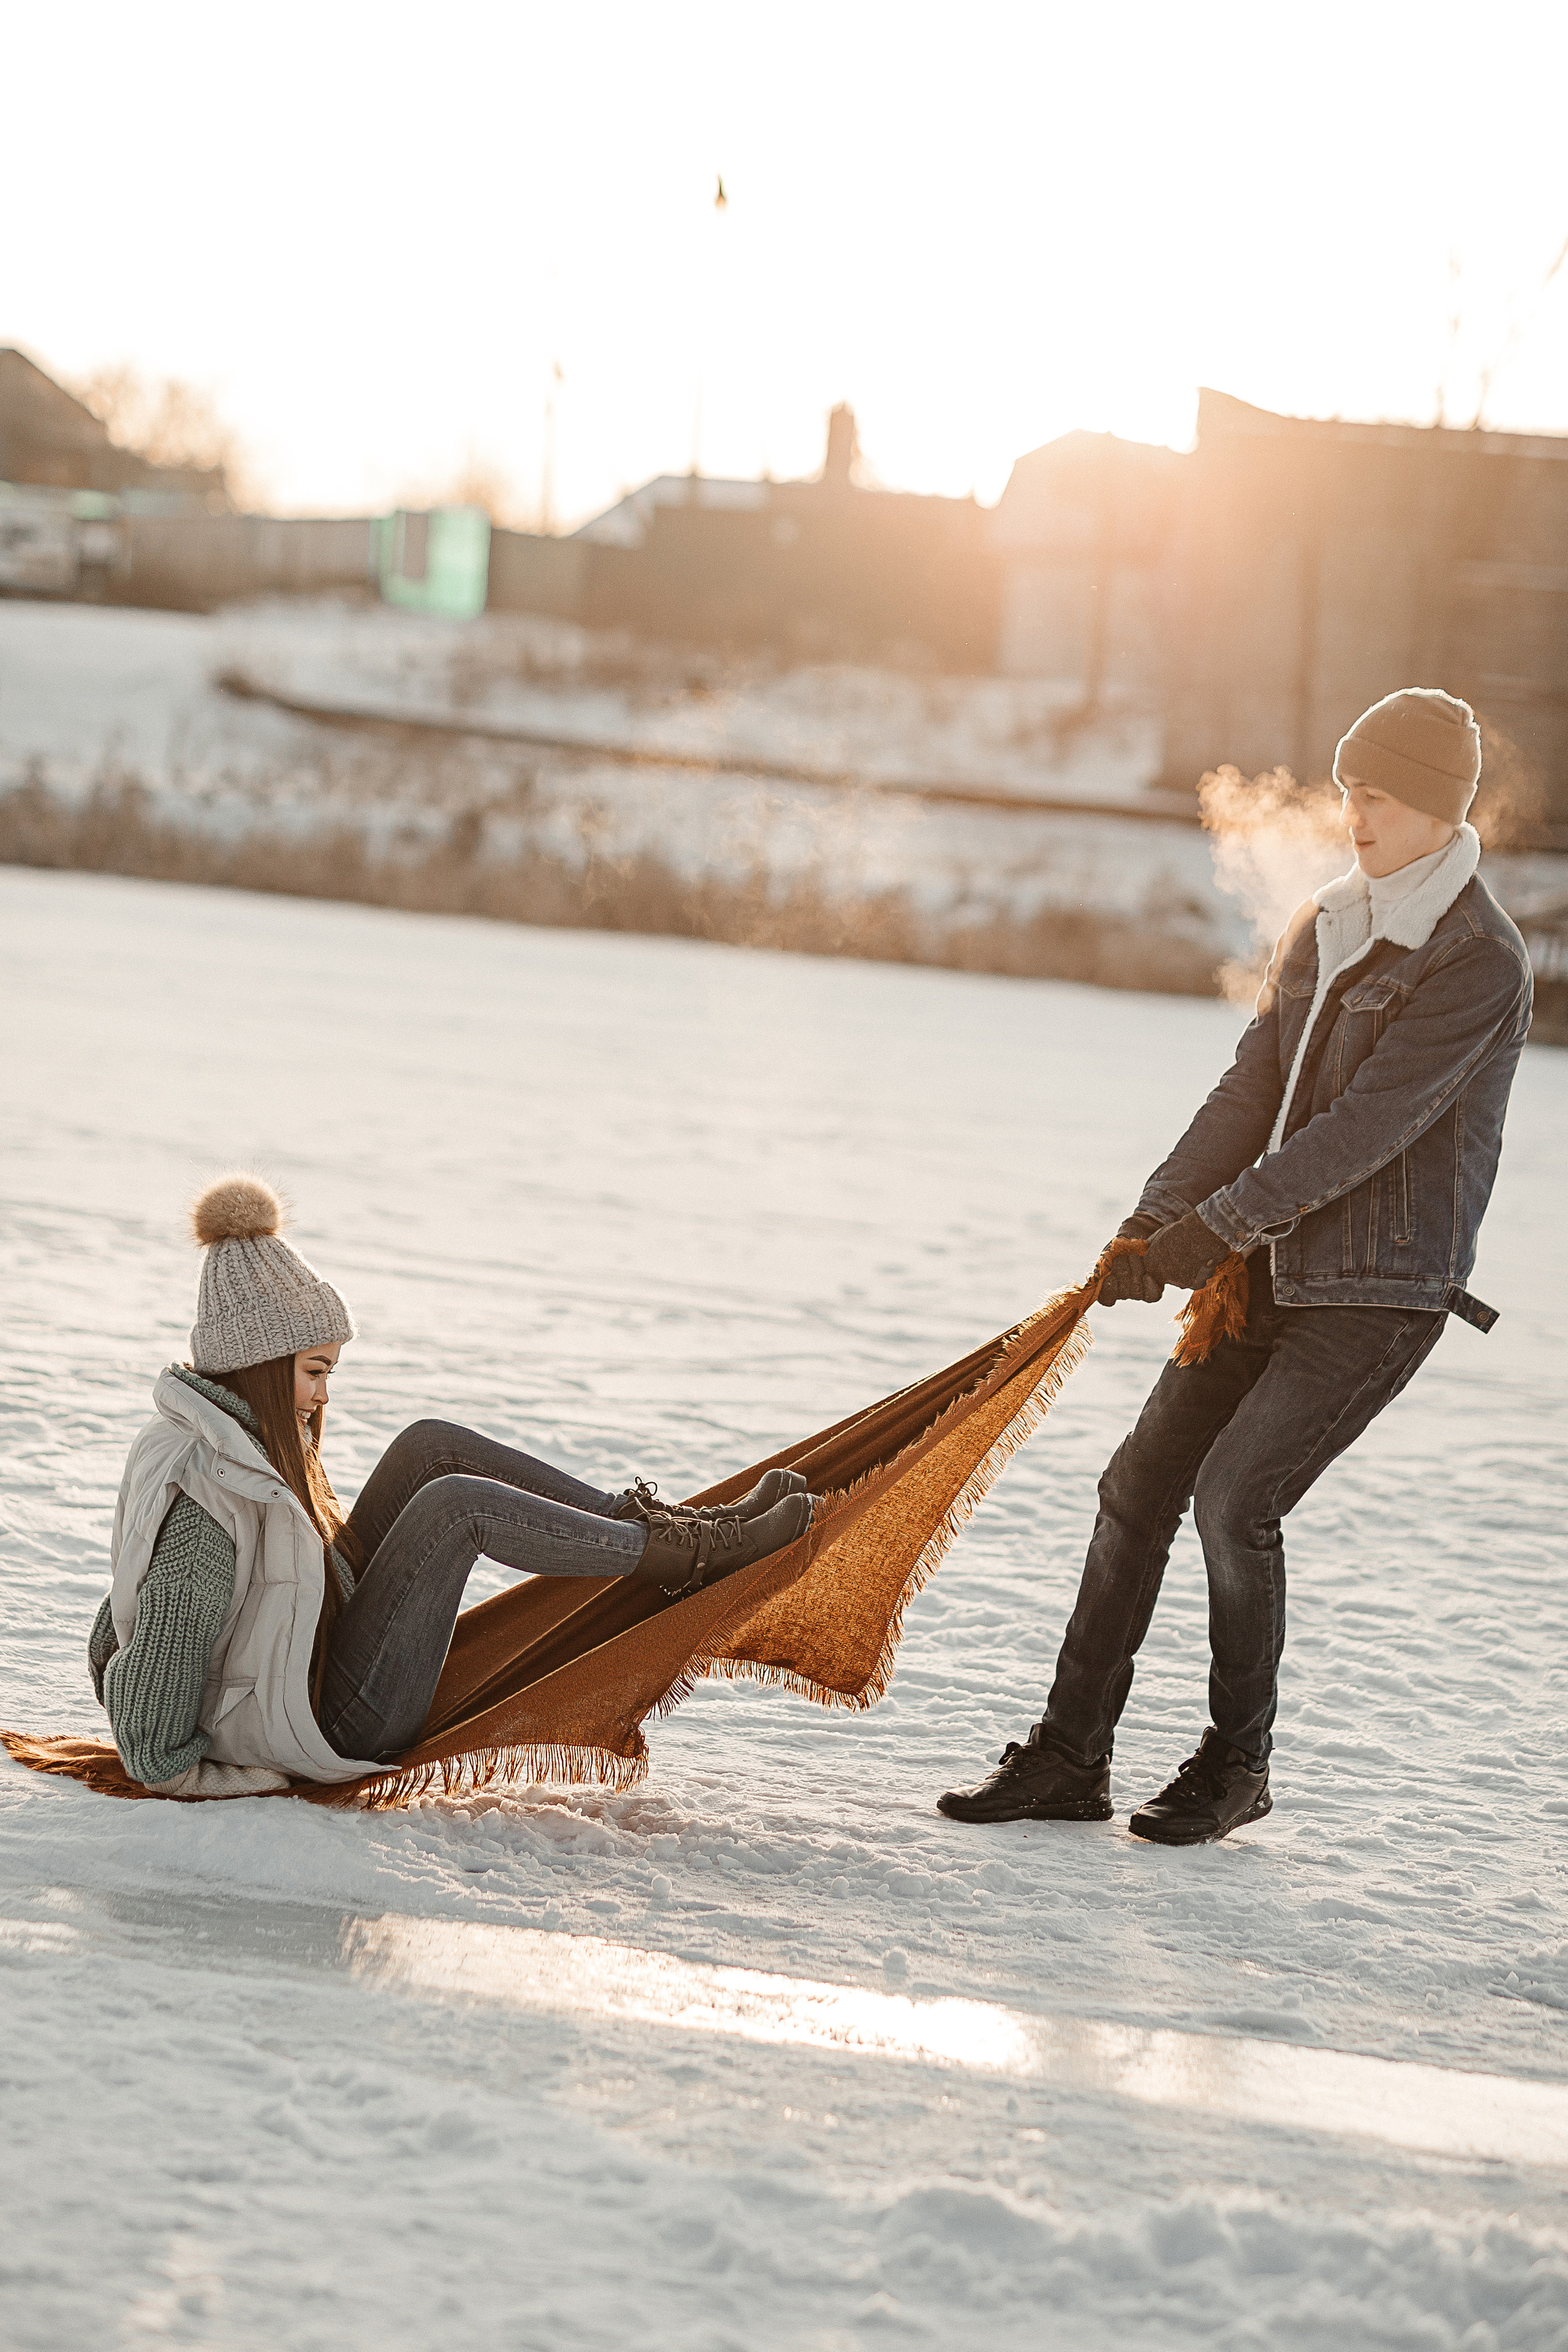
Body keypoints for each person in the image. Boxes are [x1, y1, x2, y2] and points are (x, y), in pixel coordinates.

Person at [939, 687, 1533, 1845]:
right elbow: (1251, 1086)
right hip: (1261, 1270)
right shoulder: (1328, 921)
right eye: (1348, 789)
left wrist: (1209, 1233)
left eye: (1379, 795)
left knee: (1234, 1501)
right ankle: (1069, 1756)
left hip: (1377, 1292)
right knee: (1136, 1487)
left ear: (1439, 807)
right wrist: (1154, 1218)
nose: (1354, 814)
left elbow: (1362, 1131)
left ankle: (1236, 1764)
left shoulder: (1478, 960)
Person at [89, 1175, 815, 1796]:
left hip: (309, 1659)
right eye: (314, 1372)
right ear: (259, 1366)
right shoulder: (209, 1490)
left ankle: (678, 1533)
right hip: (329, 1721)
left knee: (429, 1446)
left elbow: (120, 1619)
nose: (323, 1396)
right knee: (456, 1508)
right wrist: (217, 1768)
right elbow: (153, 1717)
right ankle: (687, 1560)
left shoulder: (221, 1433)